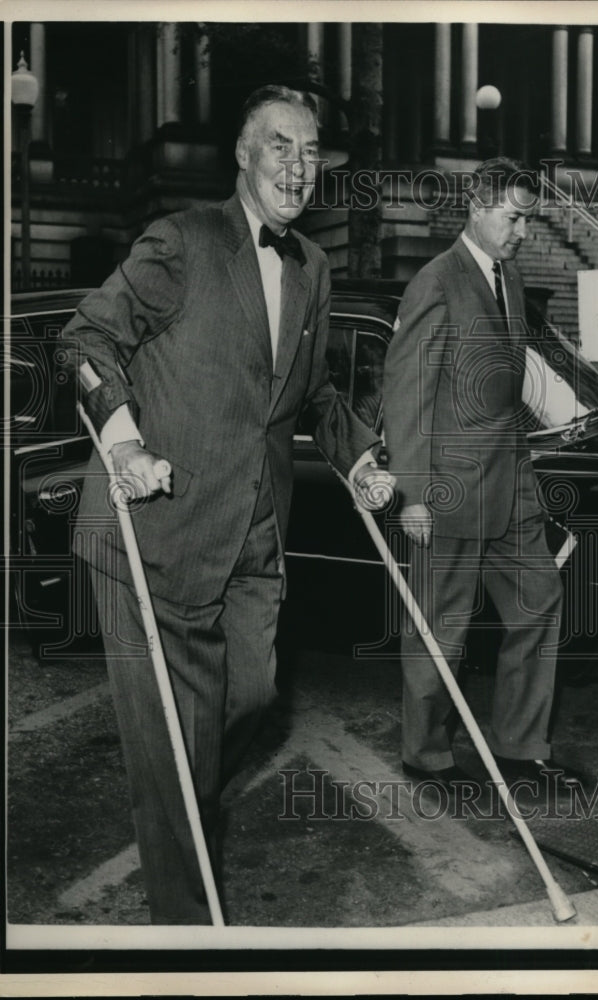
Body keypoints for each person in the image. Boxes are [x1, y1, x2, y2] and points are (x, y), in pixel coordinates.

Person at [63, 85, 394, 924]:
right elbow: (87, 339)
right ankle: (187, 936)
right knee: (174, 749)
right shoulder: (182, 240)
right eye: (280, 145)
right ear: (243, 156)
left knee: (250, 696)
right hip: (153, 529)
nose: (298, 165)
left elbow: (312, 393)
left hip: (252, 532)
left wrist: (358, 457)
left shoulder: (311, 266)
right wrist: (125, 443)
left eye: (310, 151)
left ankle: (184, 801)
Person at [383, 157, 583, 806]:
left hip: (511, 480)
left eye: (528, 220)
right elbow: (406, 392)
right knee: (441, 627)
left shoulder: (510, 277)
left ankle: (520, 749)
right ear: (476, 207)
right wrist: (413, 492)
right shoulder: (436, 282)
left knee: (538, 600)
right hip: (449, 486)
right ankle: (427, 756)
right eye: (513, 218)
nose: (523, 232)